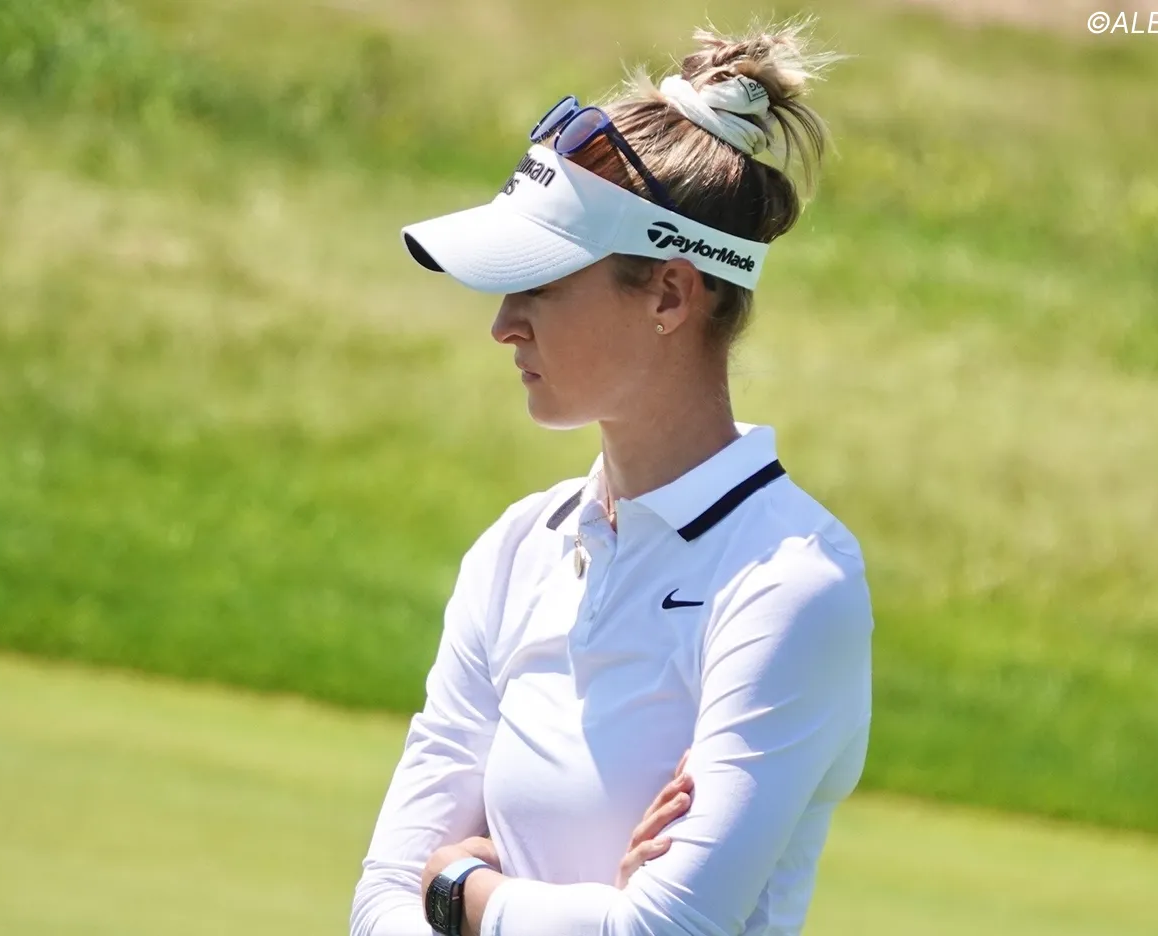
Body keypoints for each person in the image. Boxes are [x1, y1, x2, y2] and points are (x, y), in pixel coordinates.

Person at [350, 19, 873, 936]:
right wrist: (585, 911)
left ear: (670, 294)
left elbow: (665, 930)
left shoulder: (793, 584)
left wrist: (461, 891)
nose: (503, 325)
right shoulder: (517, 548)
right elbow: (377, 904)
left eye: (541, 283)